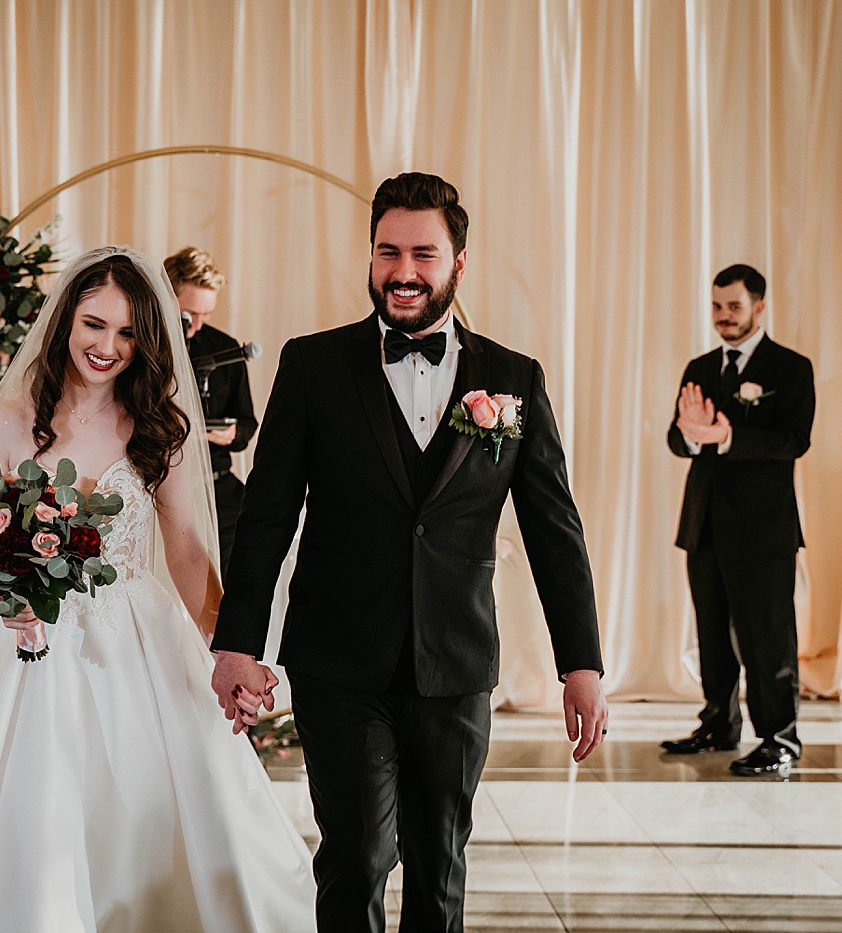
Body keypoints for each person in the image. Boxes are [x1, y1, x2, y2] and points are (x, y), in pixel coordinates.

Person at [0, 247, 315, 933]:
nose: (108, 346)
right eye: (95, 324)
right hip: (35, 645)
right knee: (36, 811)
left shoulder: (160, 427)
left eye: (128, 332)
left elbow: (188, 550)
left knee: (159, 803)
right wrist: (6, 597)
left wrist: (228, 648)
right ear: (65, 322)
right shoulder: (8, 422)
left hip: (142, 635)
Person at [210, 173, 607, 933]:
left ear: (459, 262)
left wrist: (580, 664)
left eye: (424, 253)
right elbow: (265, 519)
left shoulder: (513, 378)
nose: (403, 270)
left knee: (440, 865)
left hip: (455, 665)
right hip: (338, 662)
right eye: (388, 251)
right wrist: (236, 644)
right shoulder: (312, 366)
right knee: (356, 856)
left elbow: (556, 529)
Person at [660, 265, 815, 776]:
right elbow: (677, 437)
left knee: (768, 637)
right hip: (704, 523)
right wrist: (690, 434)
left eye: (734, 307)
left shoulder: (791, 368)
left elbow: (795, 440)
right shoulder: (701, 366)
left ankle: (780, 738)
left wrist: (725, 437)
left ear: (759, 307)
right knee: (712, 634)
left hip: (764, 529)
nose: (723, 317)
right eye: (717, 307)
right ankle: (718, 724)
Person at [166, 247, 259, 575]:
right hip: (161, 485)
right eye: (190, 313)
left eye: (207, 314)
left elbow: (248, 423)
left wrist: (231, 434)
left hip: (217, 485)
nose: (199, 325)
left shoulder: (226, 349)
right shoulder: (142, 345)